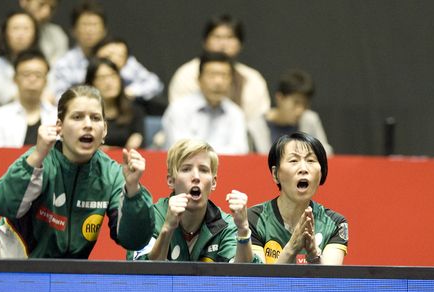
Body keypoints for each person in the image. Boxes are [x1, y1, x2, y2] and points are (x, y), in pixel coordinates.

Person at [0, 84, 153, 259]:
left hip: (65, 278)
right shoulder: (40, 159)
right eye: (77, 117)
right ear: (59, 127)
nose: (88, 125)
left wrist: (133, 190)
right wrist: (37, 157)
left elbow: (134, 240)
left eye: (95, 118)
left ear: (105, 129)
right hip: (6, 269)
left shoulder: (112, 174)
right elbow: (2, 204)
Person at [129, 138, 254, 262]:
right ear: (171, 181)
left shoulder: (225, 226)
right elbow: (142, 274)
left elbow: (242, 277)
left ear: (214, 182)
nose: (196, 177)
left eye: (203, 170)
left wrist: (243, 229)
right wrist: (167, 228)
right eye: (186, 169)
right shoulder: (149, 219)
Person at [248, 132, 347, 264]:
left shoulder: (335, 223)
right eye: (293, 161)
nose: (303, 168)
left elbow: (329, 282)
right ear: (275, 174)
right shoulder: (253, 219)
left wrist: (313, 255)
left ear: (321, 172)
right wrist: (292, 247)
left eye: (311, 160)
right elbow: (259, 281)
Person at [168, 14, 269, 121]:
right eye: (217, 37)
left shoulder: (252, 78)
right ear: (205, 41)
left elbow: (258, 122)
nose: (223, 44)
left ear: (240, 44)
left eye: (230, 37)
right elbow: (177, 115)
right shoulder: (187, 74)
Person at [162, 51, 248, 154]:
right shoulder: (179, 109)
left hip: (226, 169)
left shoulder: (235, 113)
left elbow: (240, 151)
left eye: (224, 75)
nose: (218, 82)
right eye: (212, 75)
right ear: (199, 79)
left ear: (231, 80)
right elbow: (180, 151)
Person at [0, 49, 55, 148]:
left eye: (38, 75)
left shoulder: (58, 117)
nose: (32, 79)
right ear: (15, 78)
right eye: (26, 74)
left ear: (46, 81)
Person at [248, 69, 333, 154]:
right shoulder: (255, 127)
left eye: (305, 104)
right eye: (296, 103)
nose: (300, 110)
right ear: (279, 98)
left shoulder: (309, 121)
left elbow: (325, 155)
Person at [0, 9, 39, 112]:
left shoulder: (40, 63)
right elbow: (3, 96)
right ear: (5, 33)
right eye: (15, 28)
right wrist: (35, 97)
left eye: (26, 29)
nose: (21, 35)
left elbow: (50, 94)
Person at [92, 36, 165, 115]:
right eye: (109, 55)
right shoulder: (87, 69)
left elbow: (155, 84)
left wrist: (131, 91)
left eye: (121, 56)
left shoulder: (130, 66)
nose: (115, 59)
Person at [51, 0, 107, 100]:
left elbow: (144, 84)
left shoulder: (115, 58)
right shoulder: (64, 63)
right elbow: (59, 98)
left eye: (94, 25)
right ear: (73, 30)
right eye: (85, 25)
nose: (89, 30)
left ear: (104, 31)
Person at [84, 57, 143, 150]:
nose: (109, 82)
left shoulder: (135, 111)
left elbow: (139, 143)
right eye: (102, 77)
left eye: (113, 75)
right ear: (91, 83)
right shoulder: (84, 113)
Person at [0, 0, 69, 65]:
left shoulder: (57, 35)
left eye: (52, 8)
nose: (46, 12)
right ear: (24, 1)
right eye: (41, 4)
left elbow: (58, 73)